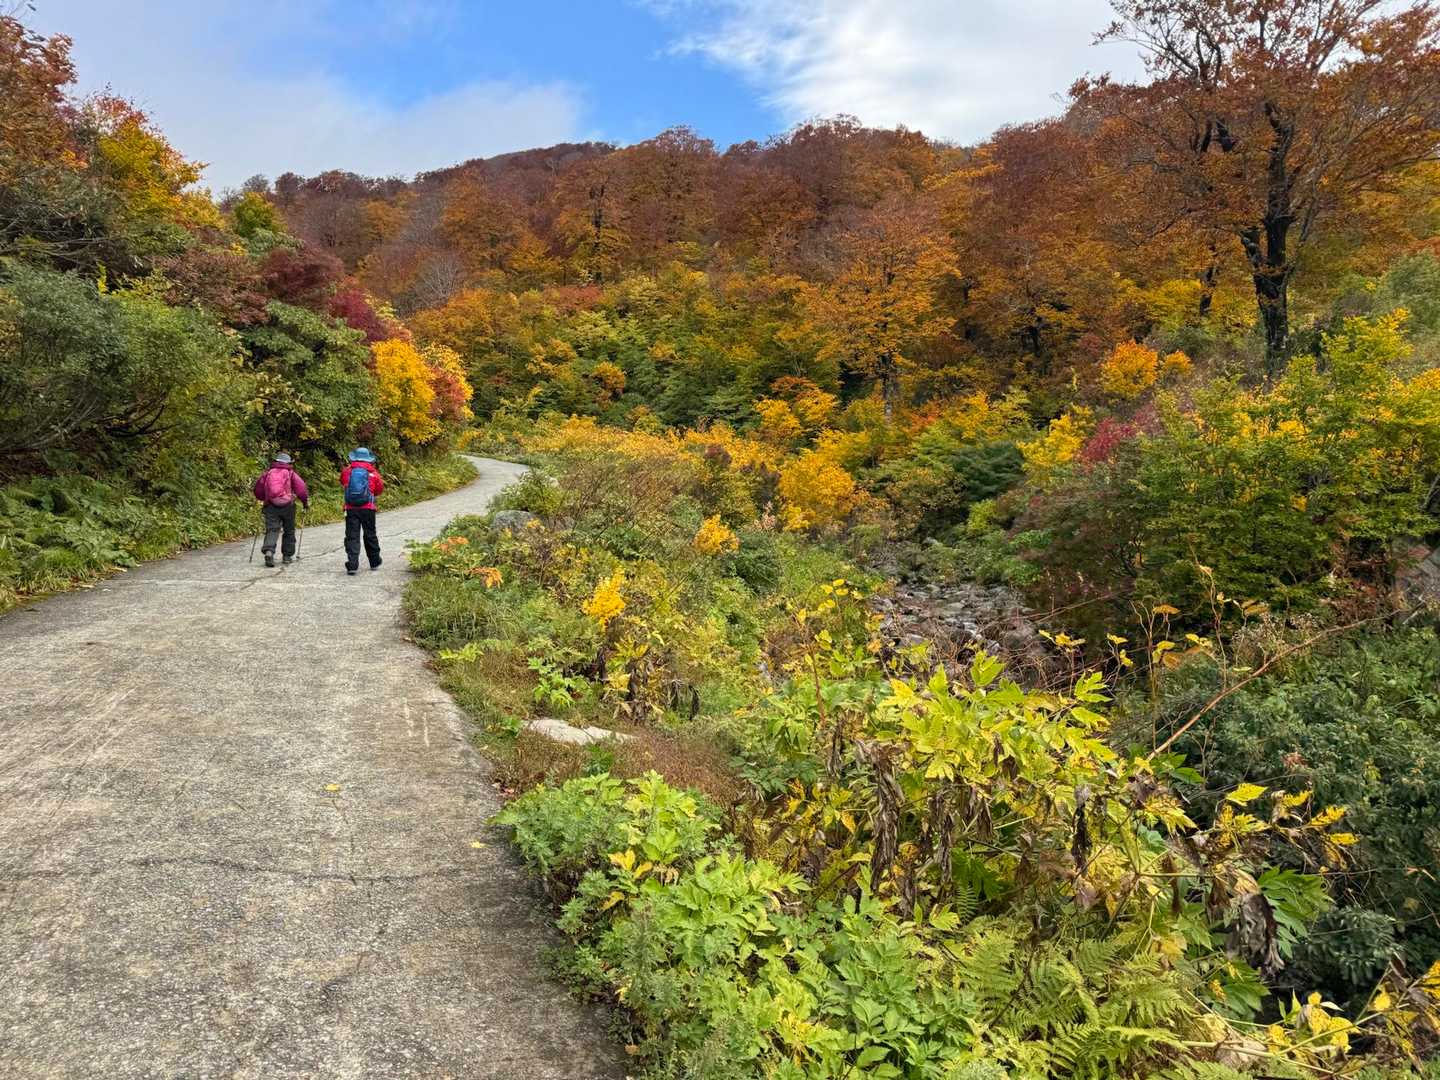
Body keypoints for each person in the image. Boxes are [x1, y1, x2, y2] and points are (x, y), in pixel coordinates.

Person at [252, 452, 310, 568]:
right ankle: (287, 556)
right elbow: (301, 489)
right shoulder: (291, 473)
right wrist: (305, 503)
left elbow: (258, 490)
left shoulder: (268, 473)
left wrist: (264, 499)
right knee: (289, 530)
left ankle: (269, 551)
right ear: (288, 463)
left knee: (272, 529)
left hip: (271, 506)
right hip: (288, 506)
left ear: (276, 461)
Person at [340, 447, 385, 576]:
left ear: (353, 458)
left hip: (350, 509)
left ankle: (352, 564)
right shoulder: (373, 473)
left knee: (352, 536)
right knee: (370, 534)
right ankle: (374, 561)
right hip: (368, 508)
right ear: (369, 459)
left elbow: (342, 482)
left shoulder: (347, 472)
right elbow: (379, 489)